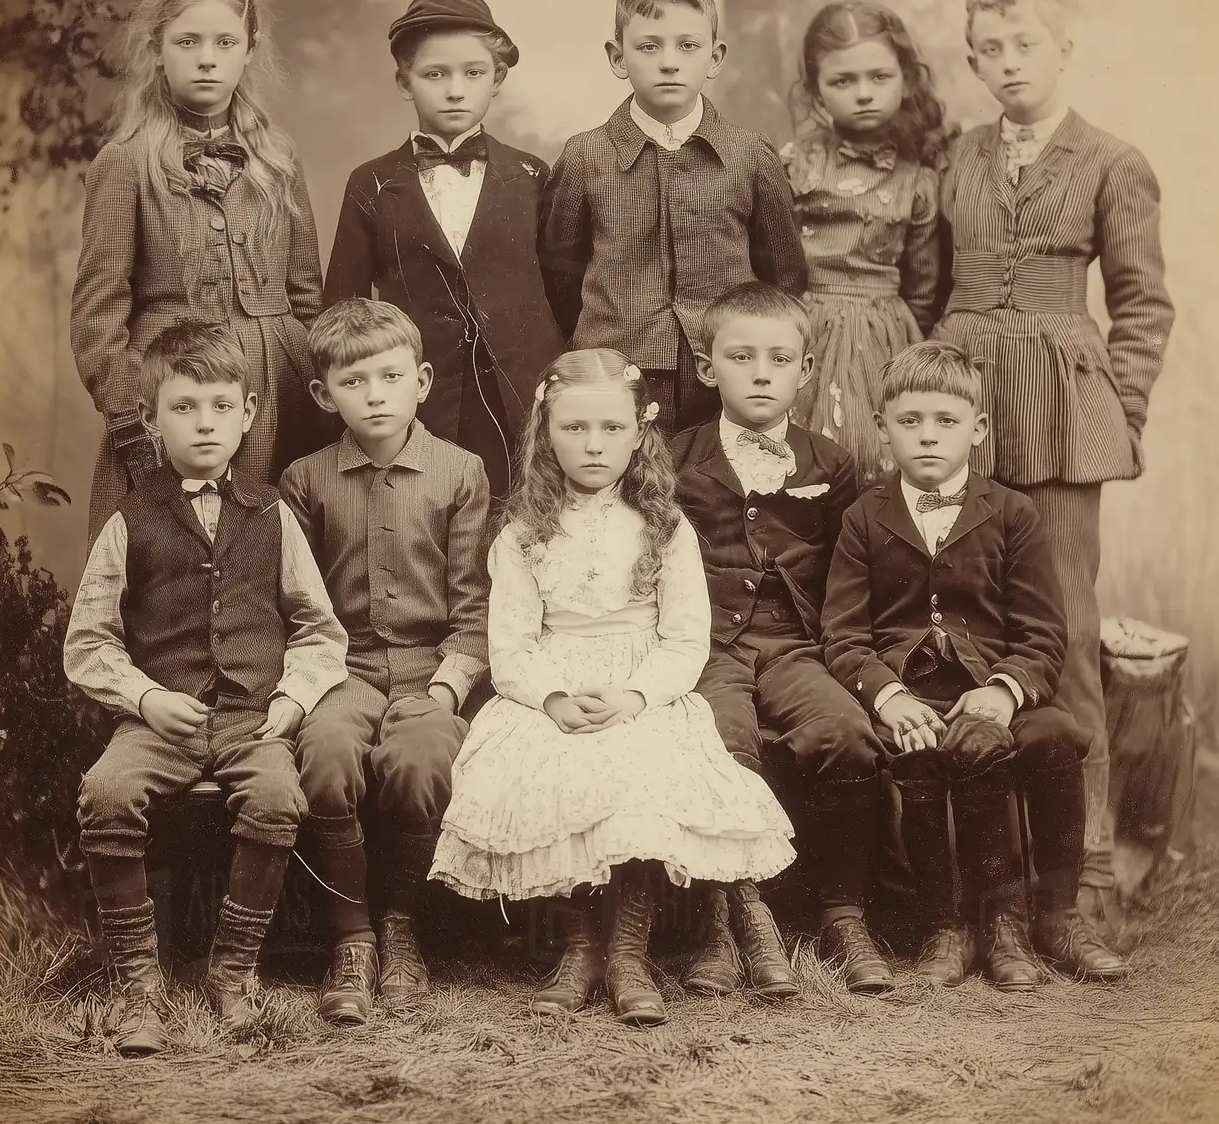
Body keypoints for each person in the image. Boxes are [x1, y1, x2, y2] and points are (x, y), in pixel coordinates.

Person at [429, 350, 795, 1027]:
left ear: (638, 433)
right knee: (557, 779)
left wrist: (633, 698)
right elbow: (510, 645)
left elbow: (686, 639)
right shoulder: (521, 534)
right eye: (573, 429)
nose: (593, 445)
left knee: (639, 783)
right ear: (546, 434)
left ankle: (628, 952)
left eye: (609, 429)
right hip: (552, 692)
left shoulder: (666, 527)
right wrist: (555, 699)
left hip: (642, 690)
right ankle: (580, 950)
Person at [934, 0, 1174, 940]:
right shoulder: (957, 157)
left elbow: (1143, 306)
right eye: (990, 49)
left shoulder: (1114, 160)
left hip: (1063, 415)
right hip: (961, 401)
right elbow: (926, 283)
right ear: (974, 59)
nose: (1009, 63)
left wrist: (1113, 415)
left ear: (1064, 47)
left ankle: (1086, 878)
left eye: (1026, 43)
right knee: (959, 627)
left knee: (1066, 637)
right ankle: (975, 885)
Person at [65, 321, 348, 1056]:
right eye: (185, 407)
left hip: (252, 720)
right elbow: (89, 641)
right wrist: (145, 698)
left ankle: (233, 969)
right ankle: (138, 982)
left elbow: (320, 630)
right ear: (152, 419)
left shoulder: (272, 514)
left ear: (248, 412)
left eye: (221, 406)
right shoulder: (129, 520)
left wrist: (289, 703)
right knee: (107, 792)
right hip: (159, 725)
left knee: (279, 796)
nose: (205, 424)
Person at [823, 341, 1129, 988]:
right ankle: (950, 926)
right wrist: (890, 697)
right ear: (883, 430)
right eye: (910, 423)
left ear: (979, 430)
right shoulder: (863, 518)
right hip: (911, 696)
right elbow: (844, 637)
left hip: (996, 693)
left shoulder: (1015, 513)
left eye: (946, 422)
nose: (928, 438)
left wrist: (1005, 689)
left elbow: (1046, 632)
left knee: (1055, 736)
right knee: (923, 749)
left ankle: (1047, 916)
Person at [671, 282, 891, 996]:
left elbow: (847, 573)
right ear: (708, 370)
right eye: (741, 357)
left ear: (805, 371)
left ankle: (841, 910)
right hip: (710, 645)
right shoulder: (674, 458)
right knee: (720, 742)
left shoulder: (829, 463)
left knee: (847, 734)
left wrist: (838, 652)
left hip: (798, 644)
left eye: (779, 358)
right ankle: (727, 921)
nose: (761, 372)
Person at [281, 298, 488, 1026]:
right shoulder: (305, 481)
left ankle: (402, 924)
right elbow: (297, 607)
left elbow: (473, 608)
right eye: (354, 381)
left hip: (431, 666)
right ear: (322, 394)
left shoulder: (460, 473)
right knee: (329, 754)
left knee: (426, 756)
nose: (374, 395)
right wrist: (313, 686)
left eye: (391, 377)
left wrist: (447, 687)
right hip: (342, 669)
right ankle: (352, 938)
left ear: (423, 381)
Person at [72, 0, 324, 543]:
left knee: (270, 555)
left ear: (250, 50)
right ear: (158, 50)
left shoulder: (278, 159)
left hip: (276, 394)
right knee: (165, 560)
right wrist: (142, 416)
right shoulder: (125, 164)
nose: (207, 60)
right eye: (187, 42)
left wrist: (313, 394)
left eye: (225, 42)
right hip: (173, 396)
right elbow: (96, 316)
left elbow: (306, 294)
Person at [538, 0, 806, 435]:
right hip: (617, 379)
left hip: (727, 382)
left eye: (688, 46)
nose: (669, 61)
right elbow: (559, 276)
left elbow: (782, 276)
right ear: (618, 58)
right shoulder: (586, 156)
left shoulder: (750, 156)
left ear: (715, 57)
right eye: (648, 46)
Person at [323, 0, 561, 501]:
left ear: (497, 79)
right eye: (435, 74)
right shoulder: (373, 184)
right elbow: (342, 308)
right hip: (418, 399)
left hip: (521, 396)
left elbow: (565, 297)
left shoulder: (531, 176)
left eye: (473, 73)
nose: (455, 90)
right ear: (404, 81)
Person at [782, 0, 949, 488]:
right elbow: (773, 262)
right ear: (815, 92)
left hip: (885, 337)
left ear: (906, 80)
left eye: (879, 77)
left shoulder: (917, 181)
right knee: (805, 464)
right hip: (807, 329)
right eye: (842, 81)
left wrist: (899, 341)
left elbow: (924, 287)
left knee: (881, 462)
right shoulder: (794, 166)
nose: (863, 94)